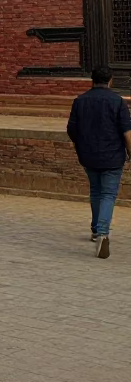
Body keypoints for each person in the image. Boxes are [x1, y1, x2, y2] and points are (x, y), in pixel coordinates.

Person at [67, 65, 131, 259]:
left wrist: (81, 144)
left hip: (88, 155)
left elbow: (71, 129)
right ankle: (103, 233)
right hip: (112, 156)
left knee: (95, 190)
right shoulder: (117, 102)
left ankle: (96, 229)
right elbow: (127, 132)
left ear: (92, 81)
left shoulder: (80, 101)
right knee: (108, 194)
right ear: (110, 80)